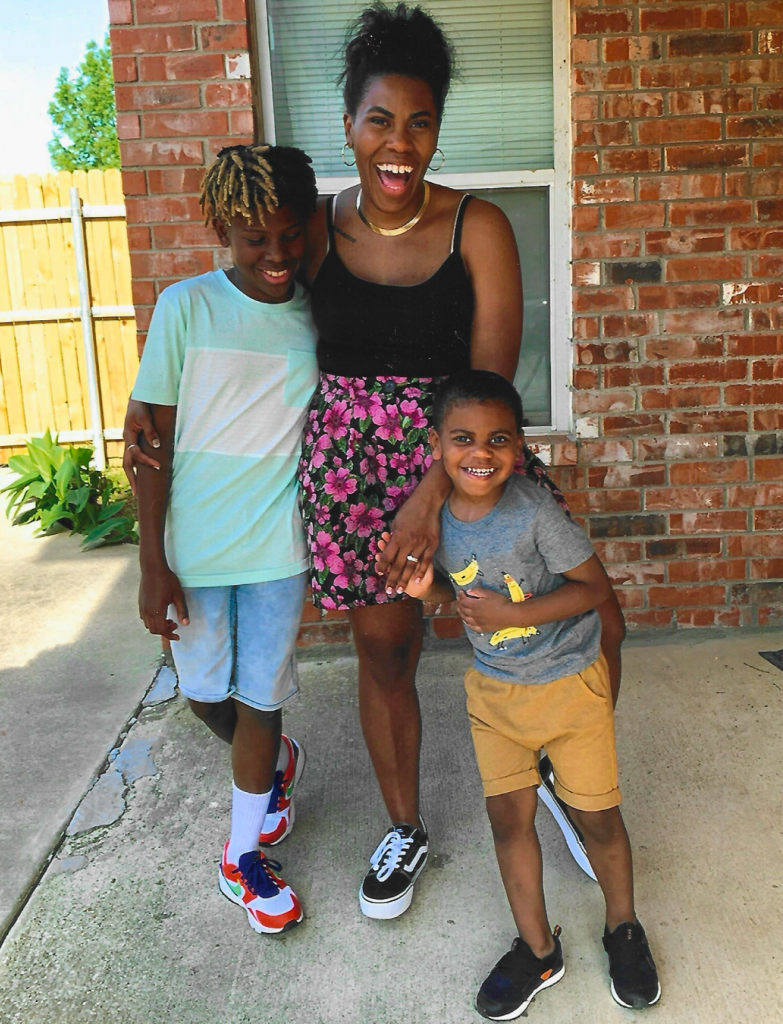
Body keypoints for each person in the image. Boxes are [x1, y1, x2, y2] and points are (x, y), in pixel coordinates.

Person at [122, 3, 626, 919]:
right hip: (352, 477)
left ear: (437, 128)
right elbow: (242, 305)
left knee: (536, 632)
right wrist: (148, 406)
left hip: (467, 466)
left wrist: (431, 497)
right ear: (348, 126)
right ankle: (405, 827)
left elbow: (491, 378)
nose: (400, 144)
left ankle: (565, 786)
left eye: (421, 121)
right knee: (384, 655)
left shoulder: (478, 226)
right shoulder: (309, 230)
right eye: (379, 120)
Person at [391, 370, 659, 1019]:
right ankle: (538, 949)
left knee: (596, 816)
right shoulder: (439, 524)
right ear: (435, 445)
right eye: (462, 439)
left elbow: (592, 590)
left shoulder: (534, 512)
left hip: (568, 687)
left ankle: (622, 926)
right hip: (495, 696)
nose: (479, 453)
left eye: (497, 439)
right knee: (508, 821)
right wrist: (423, 589)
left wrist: (516, 616)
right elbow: (457, 598)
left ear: (517, 448)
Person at [134, 143, 320, 935]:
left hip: (279, 547)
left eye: (288, 235)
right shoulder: (186, 307)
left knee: (259, 699)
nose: (275, 255)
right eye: (254, 240)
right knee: (204, 696)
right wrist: (152, 561)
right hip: (197, 551)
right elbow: (149, 444)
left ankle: (240, 857)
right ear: (220, 229)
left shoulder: (320, 312)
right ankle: (273, 767)